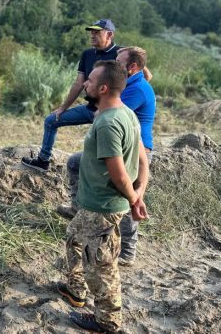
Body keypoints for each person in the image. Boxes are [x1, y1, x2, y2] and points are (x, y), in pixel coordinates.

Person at [56, 60, 149, 333]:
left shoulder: (108, 123)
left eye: (91, 80)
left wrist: (133, 200)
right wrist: (139, 194)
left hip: (103, 206)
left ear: (104, 88)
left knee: (102, 265)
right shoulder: (127, 114)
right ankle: (76, 290)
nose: (85, 83)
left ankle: (107, 321)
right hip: (94, 204)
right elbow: (144, 163)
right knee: (73, 236)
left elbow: (120, 174)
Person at [58, 47, 156, 267]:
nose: (115, 64)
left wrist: (135, 197)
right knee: (76, 162)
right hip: (125, 143)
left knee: (123, 191)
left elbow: (107, 116)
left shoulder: (135, 91)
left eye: (119, 62)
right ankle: (80, 208)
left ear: (131, 67)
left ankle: (128, 250)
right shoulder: (128, 85)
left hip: (133, 147)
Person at [21, 19, 151, 172]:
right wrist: (63, 108)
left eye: (97, 32)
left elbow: (145, 75)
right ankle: (43, 161)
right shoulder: (87, 54)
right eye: (91, 32)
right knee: (51, 120)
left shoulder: (122, 54)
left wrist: (127, 93)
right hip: (90, 108)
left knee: (92, 148)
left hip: (109, 109)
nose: (92, 35)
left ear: (109, 34)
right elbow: (78, 84)